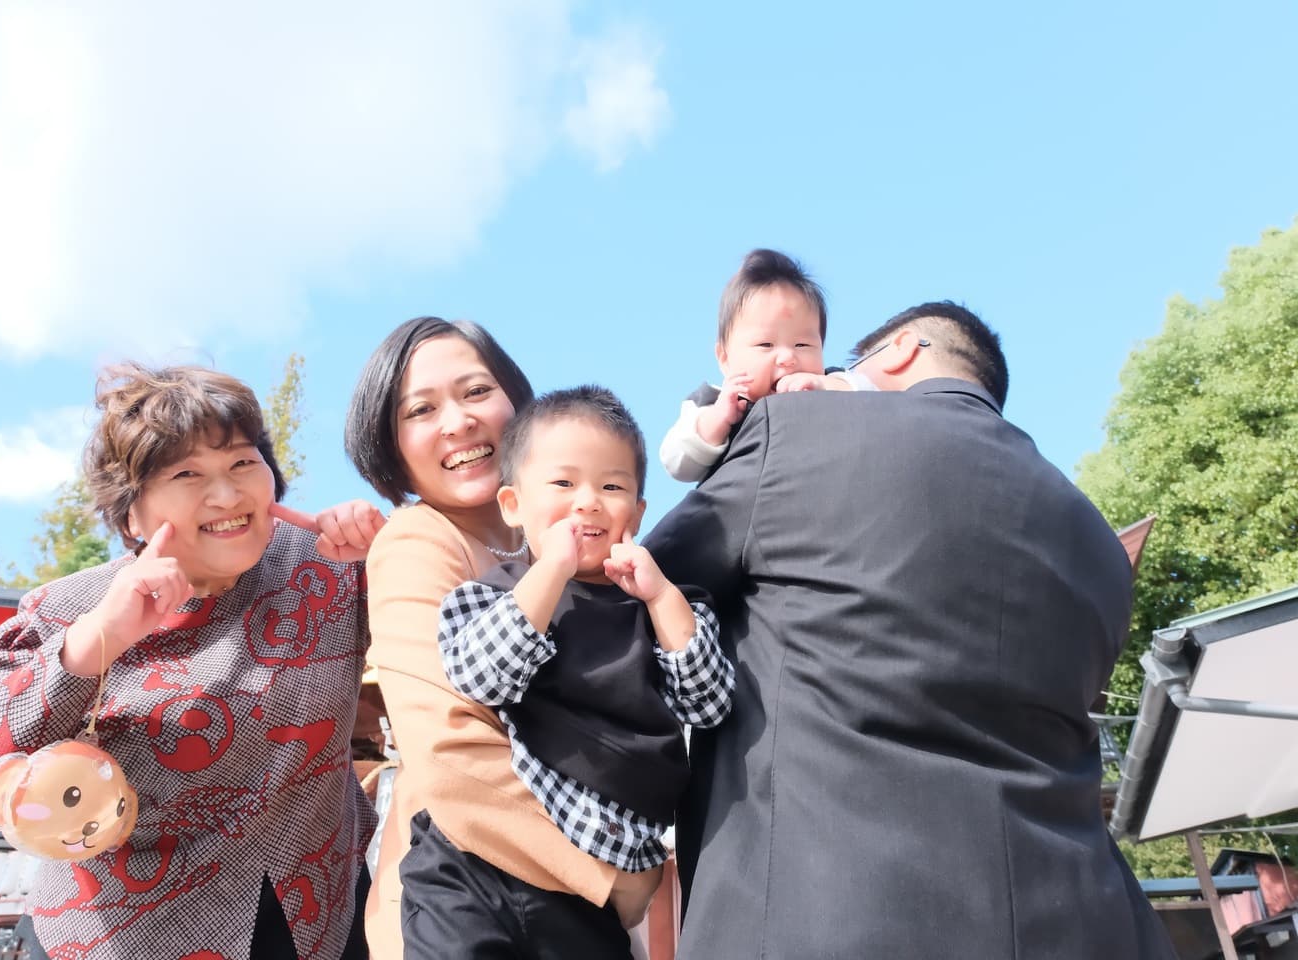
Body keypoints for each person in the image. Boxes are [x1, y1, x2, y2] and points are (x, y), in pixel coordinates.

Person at [644, 303, 1176, 959]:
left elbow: (641, 591)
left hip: (821, 919)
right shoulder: (1097, 544)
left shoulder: (803, 433)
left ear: (899, 350)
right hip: (1088, 926)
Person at [0, 363, 380, 960]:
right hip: (133, 932)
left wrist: (389, 550)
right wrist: (93, 643)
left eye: (242, 462)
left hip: (326, 913)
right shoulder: (69, 608)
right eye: (187, 473)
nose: (228, 495)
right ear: (131, 514)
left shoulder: (329, 568)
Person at [347, 319, 661, 959]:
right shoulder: (417, 541)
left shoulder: (566, 544)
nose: (457, 422)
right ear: (393, 445)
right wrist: (615, 875)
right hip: (473, 893)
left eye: (476, 391)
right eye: (421, 409)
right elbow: (448, 748)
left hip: (565, 904)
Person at [425, 386, 734, 956]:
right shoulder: (486, 597)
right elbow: (480, 678)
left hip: (600, 875)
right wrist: (551, 572)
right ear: (513, 504)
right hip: (485, 859)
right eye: (564, 484)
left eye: (611, 486)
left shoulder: (668, 607)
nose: (588, 501)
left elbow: (709, 702)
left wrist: (663, 598)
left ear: (638, 514)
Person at [658, 248, 867, 483]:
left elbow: (877, 401)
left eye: (802, 344)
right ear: (724, 358)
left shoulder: (834, 385)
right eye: (766, 344)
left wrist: (827, 385)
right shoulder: (710, 404)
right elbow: (676, 463)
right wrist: (717, 421)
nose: (787, 357)